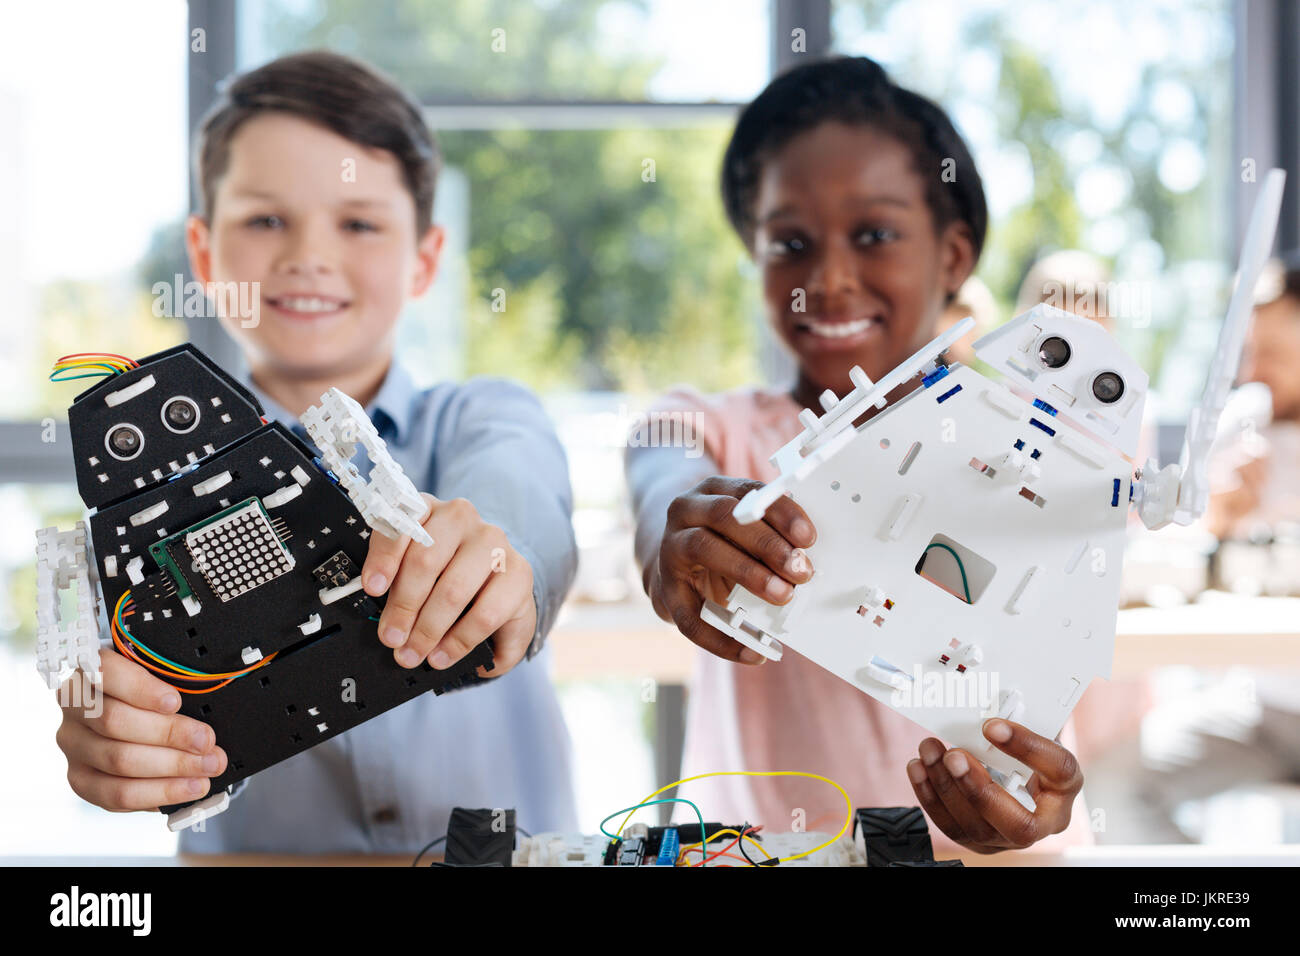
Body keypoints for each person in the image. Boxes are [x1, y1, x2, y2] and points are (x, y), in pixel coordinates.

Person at [53, 51, 579, 852]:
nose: (308, 256)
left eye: (360, 222)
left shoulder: (481, 415)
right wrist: (112, 740)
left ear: (426, 258)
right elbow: (107, 683)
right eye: (265, 220)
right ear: (203, 255)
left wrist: (503, 562)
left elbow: (522, 497)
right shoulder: (142, 508)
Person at [626, 56, 1090, 854]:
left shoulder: (1044, 452)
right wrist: (676, 535)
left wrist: (1044, 799)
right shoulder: (705, 427)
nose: (830, 279)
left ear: (952, 256)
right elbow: (662, 475)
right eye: (790, 244)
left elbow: (1061, 725)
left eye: (874, 235)